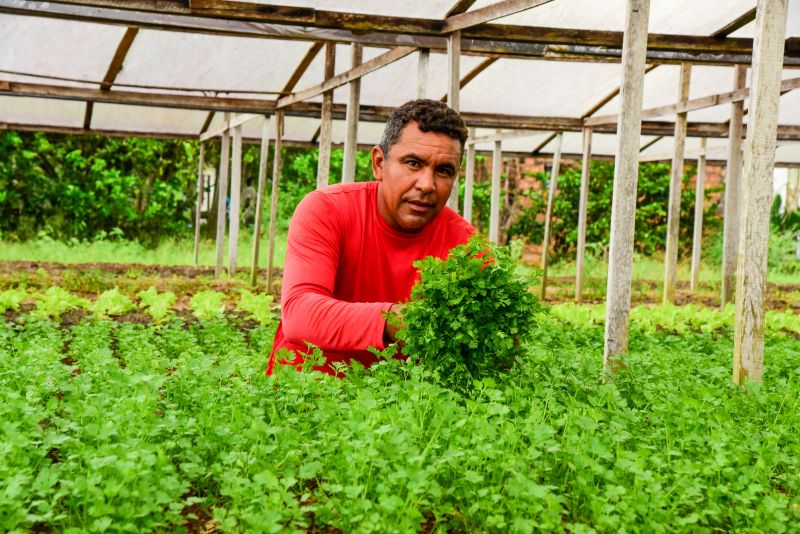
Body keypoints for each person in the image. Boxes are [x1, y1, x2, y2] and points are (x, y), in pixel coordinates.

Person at [267, 99, 475, 376]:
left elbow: (498, 343)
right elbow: (300, 314)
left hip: (402, 407)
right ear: (379, 163)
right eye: (413, 163)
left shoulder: (467, 245)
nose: (427, 184)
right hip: (306, 395)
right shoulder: (327, 210)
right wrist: (390, 320)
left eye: (444, 171)